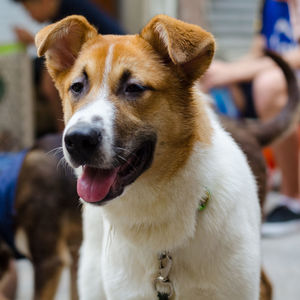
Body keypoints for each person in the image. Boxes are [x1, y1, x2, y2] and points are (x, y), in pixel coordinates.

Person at [202, 0, 300, 236]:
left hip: (286, 80)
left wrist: (232, 72)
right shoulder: (271, 4)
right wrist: (222, 70)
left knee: (268, 86)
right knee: (211, 78)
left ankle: (292, 198)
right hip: (280, 73)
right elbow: (257, 54)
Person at [12, 0, 125, 132]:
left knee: (48, 84)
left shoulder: (70, 14)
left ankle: (64, 130)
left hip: (114, 60)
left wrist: (31, 40)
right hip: (99, 60)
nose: (30, 15)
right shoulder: (62, 12)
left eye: (28, 9)